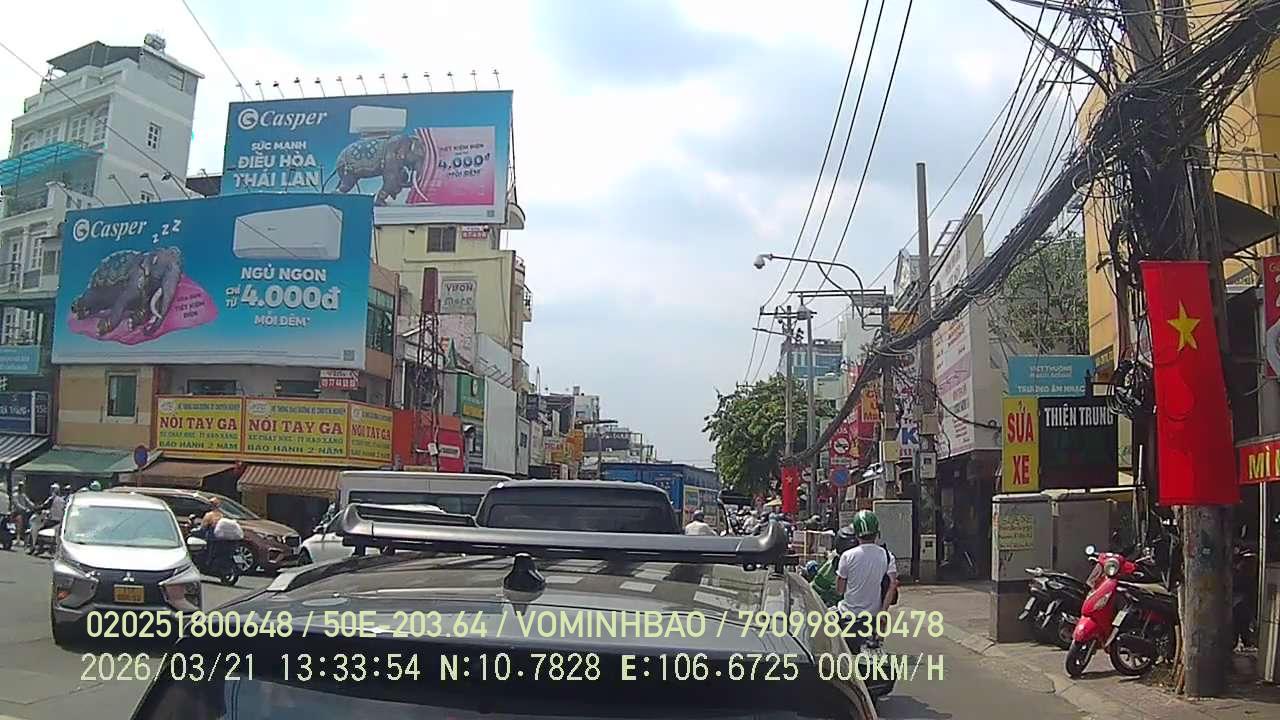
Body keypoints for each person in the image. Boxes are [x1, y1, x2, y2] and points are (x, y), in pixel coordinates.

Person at [835, 510, 899, 649]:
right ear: (877, 533)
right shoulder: (887, 556)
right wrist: (883, 611)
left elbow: (839, 590)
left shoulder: (847, 556)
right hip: (873, 618)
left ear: (856, 534)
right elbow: (892, 585)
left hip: (847, 616)